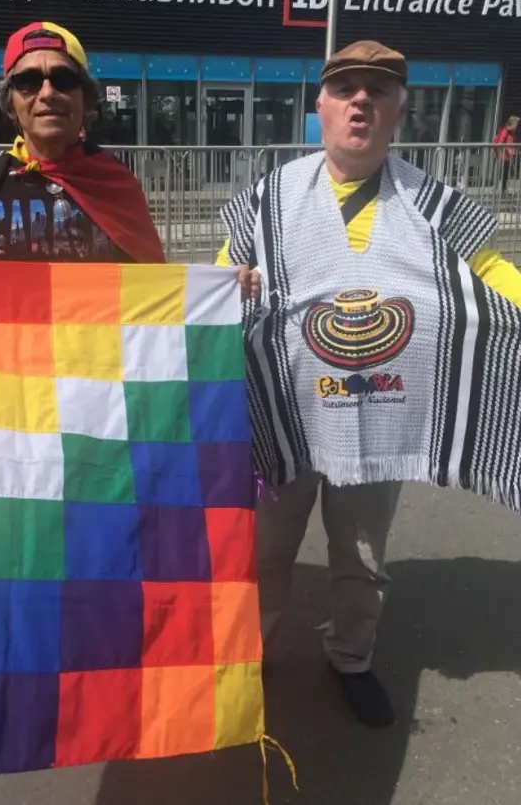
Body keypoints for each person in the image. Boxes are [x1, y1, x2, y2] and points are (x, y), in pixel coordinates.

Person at [217, 41, 521, 729]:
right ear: (318, 107)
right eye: (347, 88)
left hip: (381, 415)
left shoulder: (437, 204)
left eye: (378, 91)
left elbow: (493, 273)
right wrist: (220, 289)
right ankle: (247, 658)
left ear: (399, 110)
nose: (362, 100)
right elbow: (215, 282)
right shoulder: (265, 201)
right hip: (282, 411)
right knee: (263, 550)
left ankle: (350, 657)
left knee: (360, 556)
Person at [0, 22, 164, 263]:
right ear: (10, 105)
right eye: (28, 81)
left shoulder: (116, 183)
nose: (47, 93)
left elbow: (156, 286)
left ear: (86, 101)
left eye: (64, 79)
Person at [494, 114, 519, 195]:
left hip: (507, 157)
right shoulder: (505, 131)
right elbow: (500, 142)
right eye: (516, 125)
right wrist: (507, 150)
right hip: (503, 156)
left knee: (505, 173)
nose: (517, 128)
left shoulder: (511, 134)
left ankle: (503, 189)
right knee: (502, 173)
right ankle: (499, 189)